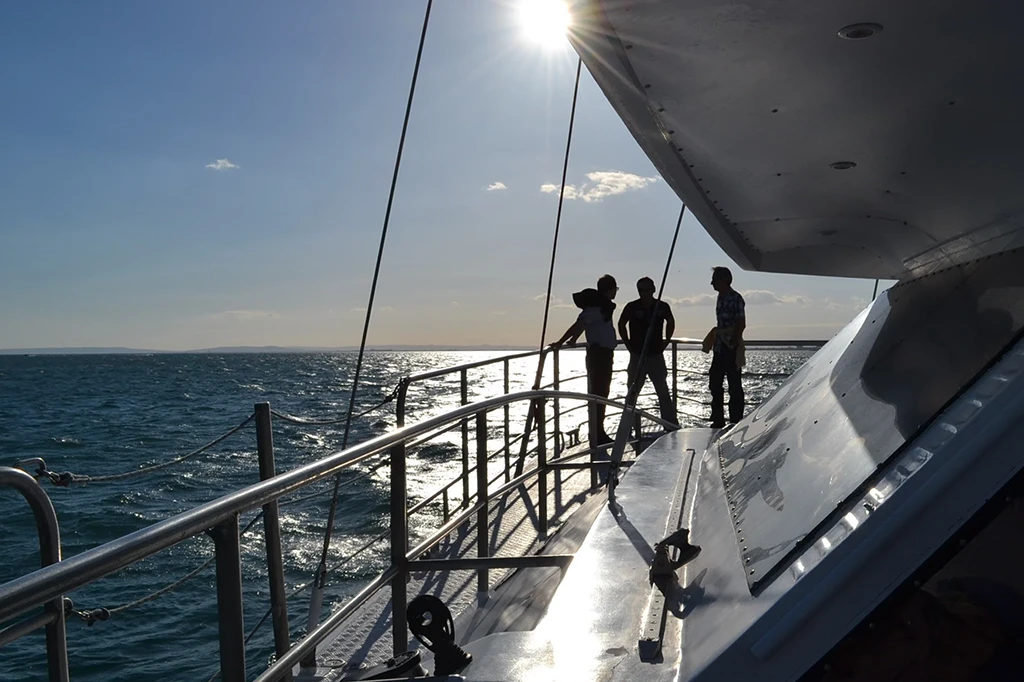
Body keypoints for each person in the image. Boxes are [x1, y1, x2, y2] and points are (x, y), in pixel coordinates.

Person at [552, 274, 618, 446]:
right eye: (615, 289)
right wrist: (561, 341)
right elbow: (580, 324)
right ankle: (596, 434)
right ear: (610, 289)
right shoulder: (596, 308)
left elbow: (584, 325)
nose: (616, 292)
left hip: (604, 355)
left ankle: (598, 432)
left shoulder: (602, 306)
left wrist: (573, 339)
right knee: (598, 394)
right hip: (599, 356)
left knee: (601, 393)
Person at [618, 277, 678, 426]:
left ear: (653, 289)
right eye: (641, 290)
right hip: (637, 355)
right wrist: (628, 344)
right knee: (632, 392)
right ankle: (627, 426)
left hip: (656, 355)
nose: (643, 293)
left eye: (646, 289)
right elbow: (621, 324)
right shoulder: (632, 307)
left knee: (663, 391)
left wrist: (667, 340)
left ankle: (669, 424)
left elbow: (670, 322)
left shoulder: (662, 306)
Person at [705, 266, 745, 427]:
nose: (712, 283)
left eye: (714, 280)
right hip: (720, 347)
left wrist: (733, 343)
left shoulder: (736, 298)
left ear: (724, 280)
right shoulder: (720, 298)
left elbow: (741, 323)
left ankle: (735, 420)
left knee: (734, 385)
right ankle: (718, 419)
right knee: (715, 382)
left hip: (730, 347)